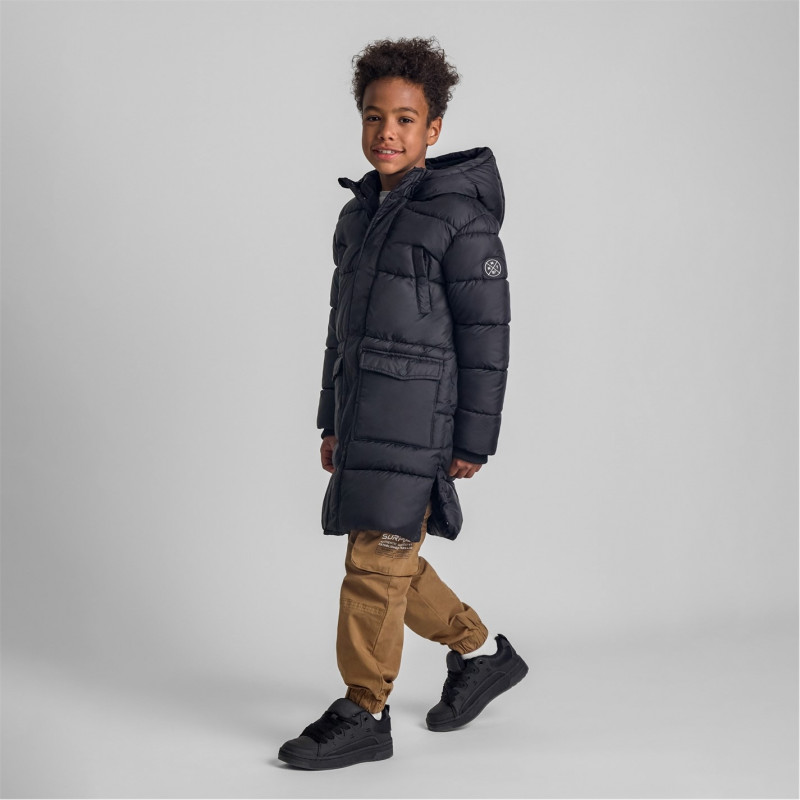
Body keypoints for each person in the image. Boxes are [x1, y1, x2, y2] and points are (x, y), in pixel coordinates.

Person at [278, 36, 527, 771]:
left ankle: (365, 709)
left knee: (374, 564)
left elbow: (487, 338)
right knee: (388, 553)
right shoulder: (358, 217)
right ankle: (481, 654)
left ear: (434, 128)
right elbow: (342, 331)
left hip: (422, 420)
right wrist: (332, 419)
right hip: (366, 418)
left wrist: (473, 439)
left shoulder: (461, 219)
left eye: (406, 119)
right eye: (374, 116)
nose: (387, 132)